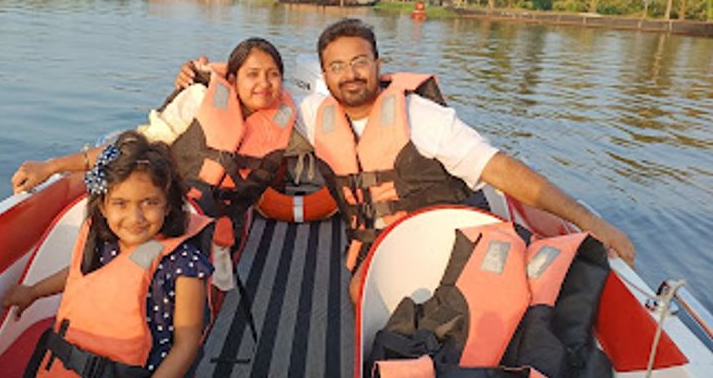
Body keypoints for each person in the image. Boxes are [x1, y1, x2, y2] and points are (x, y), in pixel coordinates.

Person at [178, 18, 636, 304]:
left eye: (360, 62)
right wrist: (201, 73)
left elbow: (504, 171)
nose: (350, 74)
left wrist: (587, 219)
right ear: (324, 75)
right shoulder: (315, 114)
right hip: (375, 253)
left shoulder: (422, 117)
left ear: (379, 65)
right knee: (361, 296)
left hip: (446, 249)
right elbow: (253, 86)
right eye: (336, 67)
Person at [11, 38, 304, 296]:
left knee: (200, 293)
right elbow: (133, 149)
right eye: (252, 74)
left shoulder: (289, 121)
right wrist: (51, 166)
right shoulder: (199, 98)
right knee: (131, 270)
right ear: (232, 76)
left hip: (218, 227)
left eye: (273, 75)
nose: (264, 84)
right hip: (165, 215)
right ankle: (46, 297)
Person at [2, 131, 214, 378]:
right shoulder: (102, 243)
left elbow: (186, 345)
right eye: (121, 204)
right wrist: (32, 292)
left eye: (150, 202)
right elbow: (76, 277)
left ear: (169, 204)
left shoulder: (183, 265)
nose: (136, 217)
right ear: (103, 204)